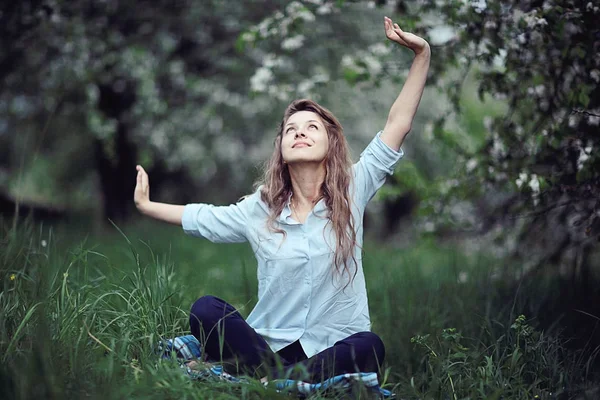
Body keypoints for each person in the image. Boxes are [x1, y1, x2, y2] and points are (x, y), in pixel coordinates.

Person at [133, 16, 430, 383]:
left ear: (330, 143)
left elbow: (398, 123)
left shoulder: (354, 186)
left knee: (370, 346)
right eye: (291, 129)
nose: (300, 133)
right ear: (282, 148)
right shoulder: (260, 208)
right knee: (205, 309)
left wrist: (421, 54)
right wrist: (146, 206)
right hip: (268, 345)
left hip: (332, 346)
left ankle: (262, 380)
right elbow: (204, 217)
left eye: (311, 128)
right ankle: (282, 380)